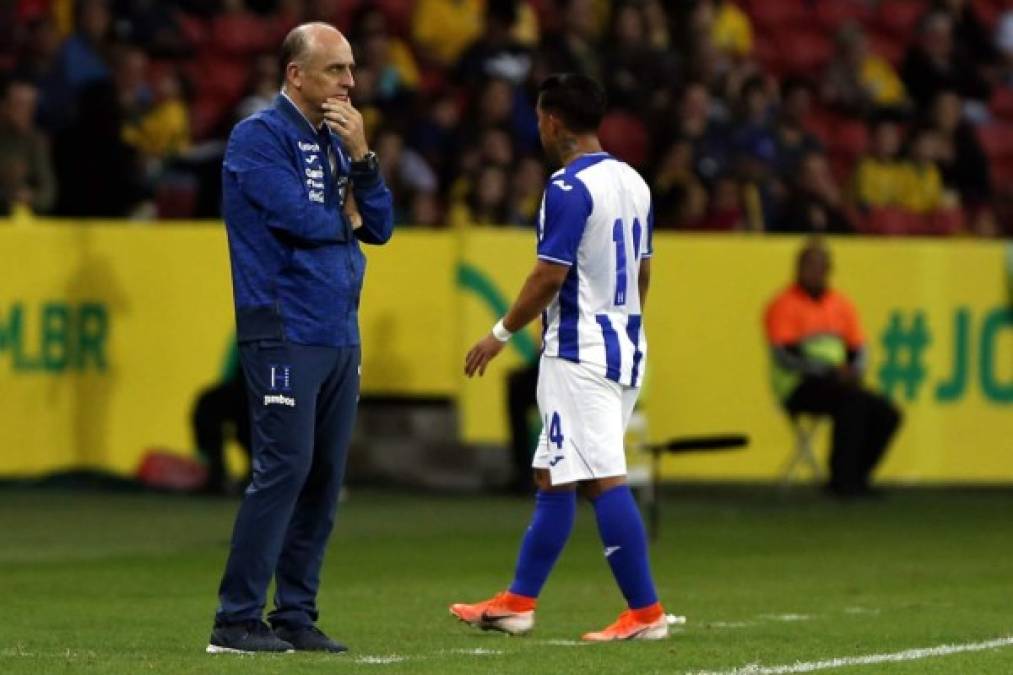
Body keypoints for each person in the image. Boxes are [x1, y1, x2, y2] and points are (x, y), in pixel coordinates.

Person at [451, 74, 669, 642]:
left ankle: (645, 614)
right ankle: (518, 602)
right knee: (554, 475)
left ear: (550, 120)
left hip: (578, 353)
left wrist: (499, 333)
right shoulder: (634, 181)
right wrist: (625, 325)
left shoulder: (568, 187)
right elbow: (642, 269)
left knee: (602, 478)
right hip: (623, 345)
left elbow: (550, 274)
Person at [209, 22, 394, 654]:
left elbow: (383, 226)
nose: (350, 81)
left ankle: (294, 614)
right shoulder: (257, 138)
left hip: (339, 329)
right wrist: (345, 215)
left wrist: (364, 163)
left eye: (350, 69)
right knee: (282, 469)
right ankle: (235, 620)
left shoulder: (342, 139)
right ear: (296, 75)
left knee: (323, 476)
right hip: (285, 326)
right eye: (336, 70)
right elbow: (298, 218)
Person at [764, 241, 901, 498]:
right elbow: (784, 355)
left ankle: (858, 476)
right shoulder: (783, 304)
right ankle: (842, 480)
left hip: (839, 382)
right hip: (798, 385)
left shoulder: (841, 305)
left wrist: (855, 370)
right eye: (810, 266)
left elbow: (859, 347)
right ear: (799, 268)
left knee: (887, 413)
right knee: (852, 403)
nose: (816, 273)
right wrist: (829, 371)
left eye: (821, 267)